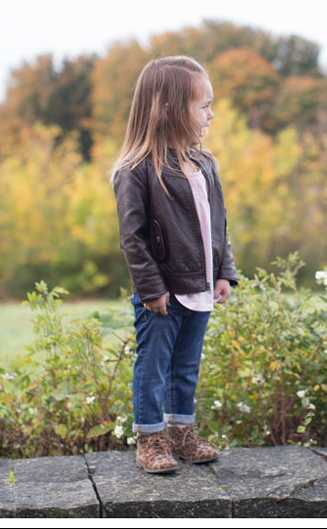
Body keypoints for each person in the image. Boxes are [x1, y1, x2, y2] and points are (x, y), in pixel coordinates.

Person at [111, 55, 238, 473]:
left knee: (186, 367)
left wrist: (224, 272)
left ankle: (182, 434)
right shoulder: (137, 171)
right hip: (163, 294)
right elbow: (134, 238)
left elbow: (217, 225)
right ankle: (150, 438)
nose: (211, 114)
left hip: (201, 289)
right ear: (168, 108)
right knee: (153, 368)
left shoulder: (206, 164)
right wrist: (151, 289)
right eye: (203, 105)